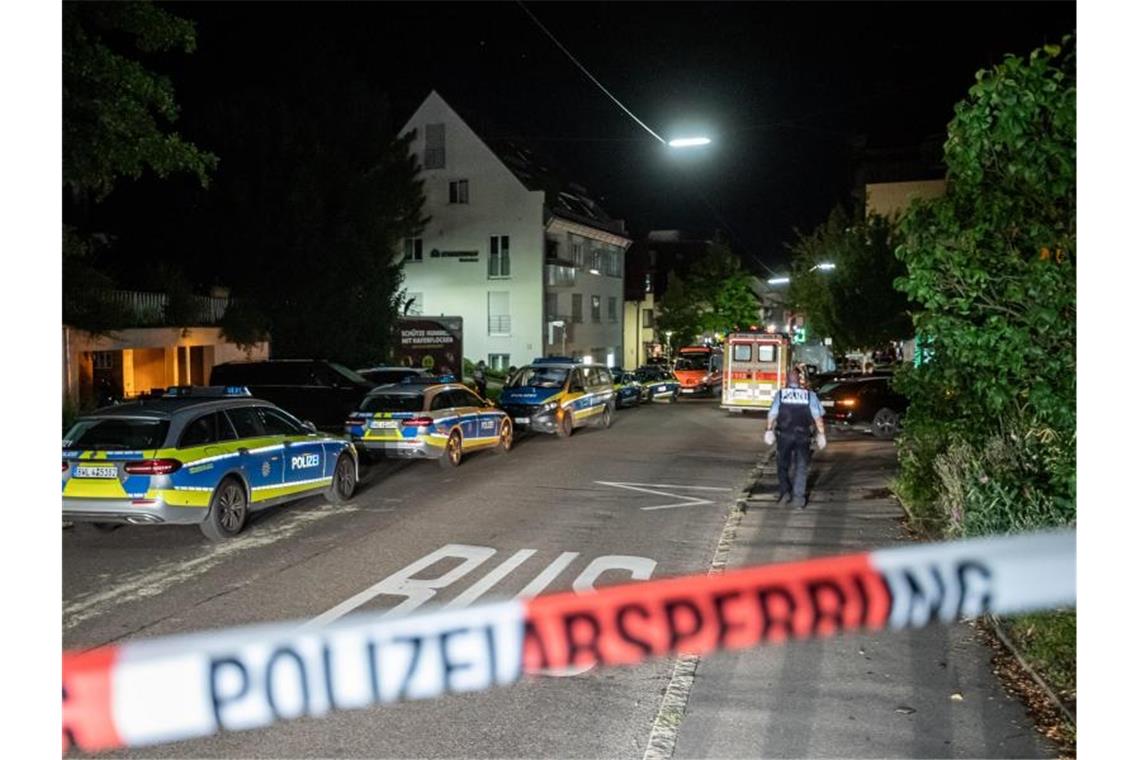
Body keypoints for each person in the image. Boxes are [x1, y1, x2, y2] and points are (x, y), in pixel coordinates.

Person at [763, 364, 827, 509]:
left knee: (782, 465)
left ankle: (785, 492)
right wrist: (821, 434)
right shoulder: (809, 395)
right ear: (799, 380)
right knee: (801, 467)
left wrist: (768, 430)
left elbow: (772, 414)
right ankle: (798, 499)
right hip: (803, 435)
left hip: (784, 435)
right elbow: (817, 417)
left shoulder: (781, 394)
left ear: (787, 380)